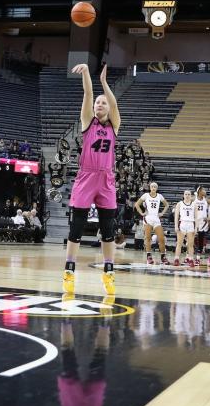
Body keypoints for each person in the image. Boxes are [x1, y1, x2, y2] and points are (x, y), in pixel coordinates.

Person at [62, 64, 121, 297]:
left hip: (106, 179)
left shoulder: (114, 125)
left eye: (103, 102)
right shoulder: (88, 122)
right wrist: (87, 73)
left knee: (108, 229)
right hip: (86, 176)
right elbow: (87, 94)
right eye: (98, 102)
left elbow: (114, 104)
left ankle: (108, 272)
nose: (99, 104)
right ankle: (69, 270)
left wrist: (105, 84)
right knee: (77, 225)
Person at [134, 182, 169, 266]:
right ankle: (149, 256)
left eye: (155, 187)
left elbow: (167, 205)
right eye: (152, 186)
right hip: (148, 218)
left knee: (161, 238)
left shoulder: (159, 196)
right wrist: (142, 213)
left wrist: (162, 213)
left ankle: (163, 257)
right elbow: (136, 204)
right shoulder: (145, 195)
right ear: (150, 187)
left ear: (156, 188)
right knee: (148, 238)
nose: (153, 188)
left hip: (156, 218)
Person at [173, 189, 198, 267]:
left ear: (191, 196)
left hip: (190, 224)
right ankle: (176, 259)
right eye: (186, 194)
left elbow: (196, 217)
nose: (187, 196)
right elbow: (176, 216)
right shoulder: (179, 204)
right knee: (179, 243)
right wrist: (176, 226)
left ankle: (190, 259)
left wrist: (196, 227)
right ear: (183, 195)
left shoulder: (194, 204)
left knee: (190, 244)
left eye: (188, 194)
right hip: (182, 223)